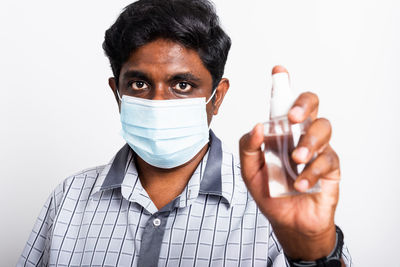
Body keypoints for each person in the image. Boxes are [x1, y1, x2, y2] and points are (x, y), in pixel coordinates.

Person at [18, 0, 352, 266]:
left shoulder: (270, 203)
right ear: (116, 93)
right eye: (139, 83)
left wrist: (312, 247)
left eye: (182, 84)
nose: (159, 100)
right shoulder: (68, 199)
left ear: (216, 97)